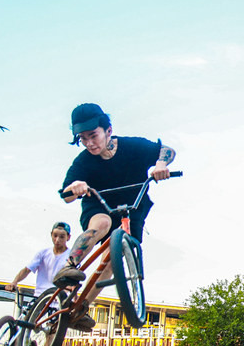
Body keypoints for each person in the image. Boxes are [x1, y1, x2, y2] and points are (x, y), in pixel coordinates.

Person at [54, 103, 175, 331]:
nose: (89, 143)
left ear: (108, 130)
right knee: (103, 223)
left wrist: (160, 165)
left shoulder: (133, 146)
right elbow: (66, 194)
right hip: (99, 206)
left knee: (113, 260)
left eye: (93, 136)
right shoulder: (83, 161)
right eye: (83, 138)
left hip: (133, 209)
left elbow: (166, 150)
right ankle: (69, 266)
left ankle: (81, 309)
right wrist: (76, 186)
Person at [4, 222, 72, 295]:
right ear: (51, 235)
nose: (57, 240)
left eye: (62, 237)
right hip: (40, 296)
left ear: (68, 237)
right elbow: (27, 270)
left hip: (58, 298)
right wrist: (14, 282)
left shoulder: (72, 256)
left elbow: (72, 280)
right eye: (55, 236)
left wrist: (62, 294)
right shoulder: (43, 253)